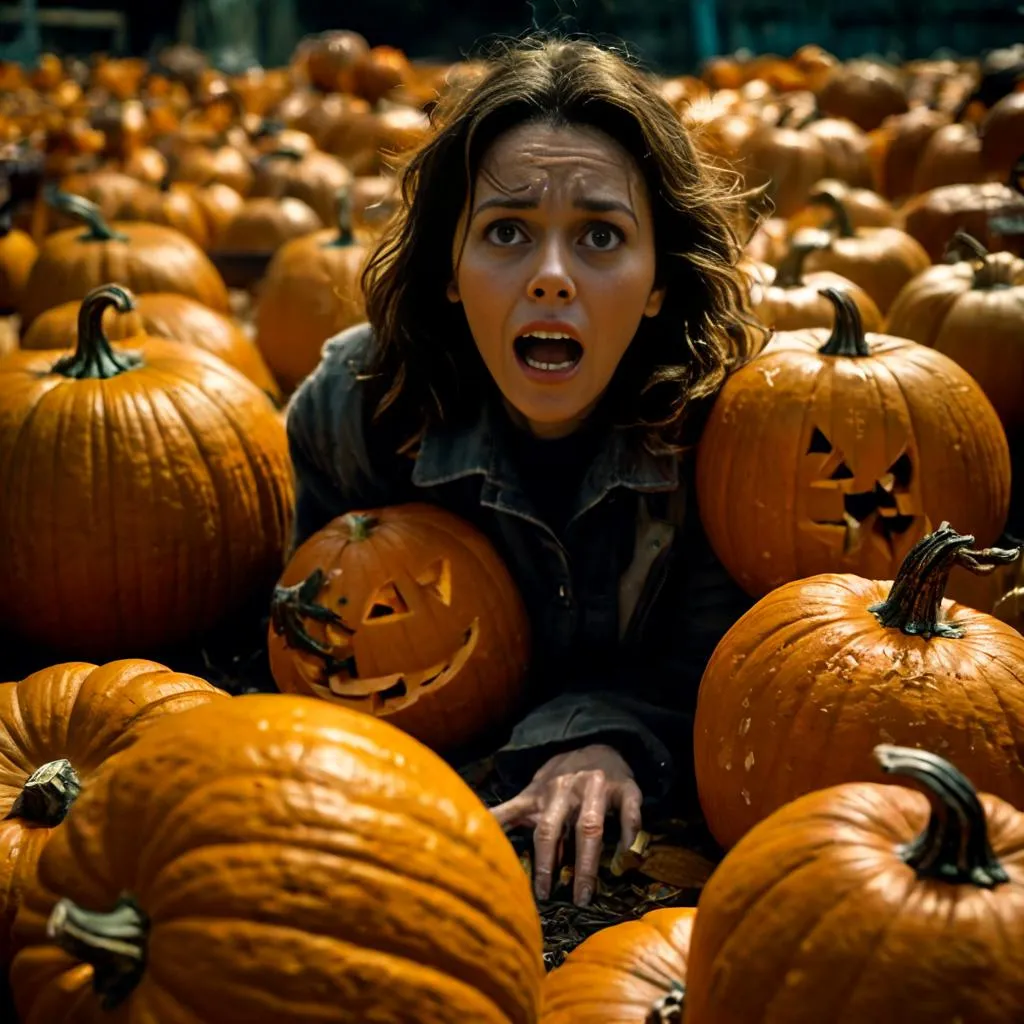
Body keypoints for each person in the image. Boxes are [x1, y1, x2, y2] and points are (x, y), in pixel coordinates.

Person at [286, 37, 765, 908]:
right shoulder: (357, 412)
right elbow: (312, 647)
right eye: (507, 232)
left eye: (600, 236)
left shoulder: (731, 440)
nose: (550, 278)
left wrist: (607, 734)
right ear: (450, 273)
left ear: (658, 279)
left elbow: (725, 670)